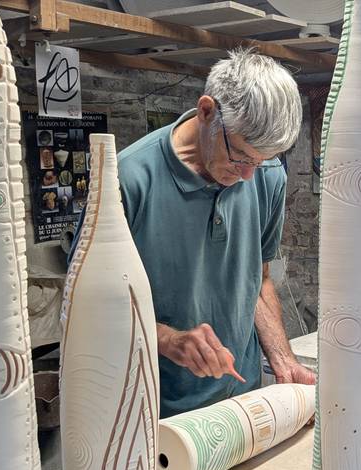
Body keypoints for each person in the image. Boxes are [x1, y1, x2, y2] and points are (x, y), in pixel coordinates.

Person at [71, 49, 314, 418]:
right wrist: (170, 340)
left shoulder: (268, 176)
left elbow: (258, 280)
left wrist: (283, 361)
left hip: (242, 398)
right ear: (206, 111)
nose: (248, 175)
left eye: (261, 161)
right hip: (154, 411)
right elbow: (84, 308)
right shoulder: (126, 182)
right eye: (241, 156)